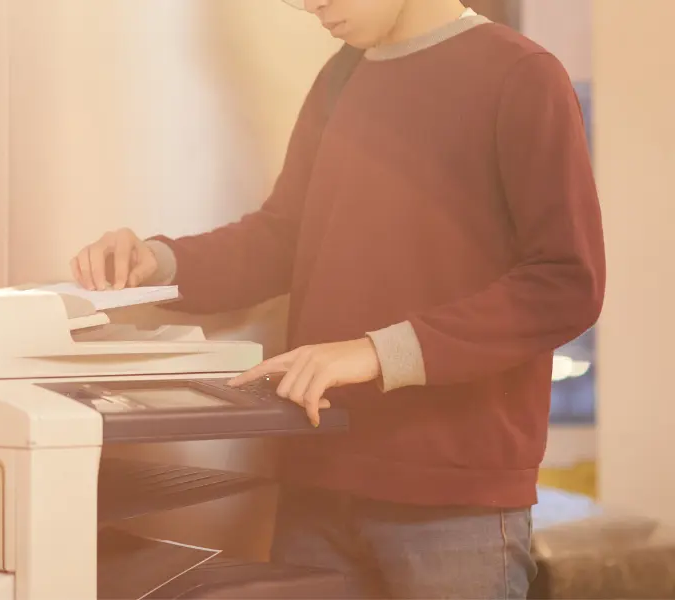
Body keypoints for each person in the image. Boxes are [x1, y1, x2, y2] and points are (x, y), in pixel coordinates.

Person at [69, 0, 605, 597]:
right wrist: (162, 262)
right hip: (319, 480)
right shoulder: (342, 75)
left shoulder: (521, 75)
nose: (307, 3)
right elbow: (284, 237)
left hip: (453, 503)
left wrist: (376, 353)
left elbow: (564, 282)